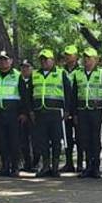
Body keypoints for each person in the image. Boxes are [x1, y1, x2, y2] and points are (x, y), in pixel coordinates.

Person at [30, 49, 70, 177]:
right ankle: (46, 166)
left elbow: (68, 93)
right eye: (41, 59)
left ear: (52, 60)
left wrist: (67, 110)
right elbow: (29, 94)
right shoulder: (35, 74)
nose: (43, 62)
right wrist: (31, 110)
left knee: (56, 140)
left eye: (46, 59)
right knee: (42, 140)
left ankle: (55, 167)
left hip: (56, 112)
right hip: (40, 112)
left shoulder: (60, 73)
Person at [70, 47, 102, 178]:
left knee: (95, 140)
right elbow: (73, 95)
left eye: (90, 59)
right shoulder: (78, 74)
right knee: (84, 139)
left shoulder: (101, 74)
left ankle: (96, 167)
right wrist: (74, 113)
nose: (87, 61)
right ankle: (87, 167)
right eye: (85, 59)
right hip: (82, 112)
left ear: (96, 60)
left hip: (96, 111)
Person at [0, 50, 25, 177]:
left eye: (5, 59)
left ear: (11, 61)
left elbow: (24, 96)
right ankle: (5, 166)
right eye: (1, 59)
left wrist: (23, 113)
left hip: (13, 115)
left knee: (14, 141)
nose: (3, 62)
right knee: (1, 142)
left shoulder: (17, 75)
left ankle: (15, 167)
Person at [60, 46, 81, 173]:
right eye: (67, 55)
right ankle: (69, 163)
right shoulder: (61, 72)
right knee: (67, 137)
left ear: (76, 56)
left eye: (71, 55)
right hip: (65, 108)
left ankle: (79, 163)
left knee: (79, 137)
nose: (69, 57)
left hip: (78, 108)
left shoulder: (81, 71)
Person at [18, 59, 36, 172]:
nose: (24, 69)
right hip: (21, 116)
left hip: (34, 115)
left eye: (27, 67)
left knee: (36, 142)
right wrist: (22, 113)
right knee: (23, 141)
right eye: (23, 67)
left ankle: (36, 164)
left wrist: (31, 113)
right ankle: (27, 163)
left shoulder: (35, 81)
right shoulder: (18, 81)